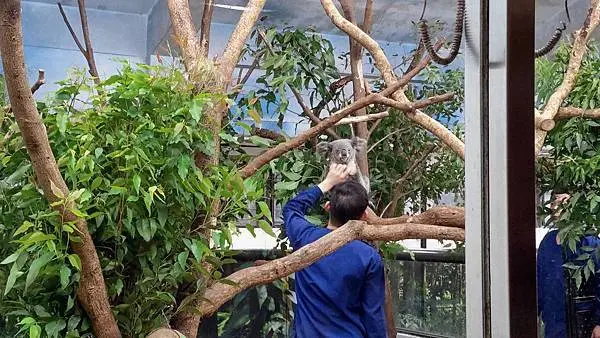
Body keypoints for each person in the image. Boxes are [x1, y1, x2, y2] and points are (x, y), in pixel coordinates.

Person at [283, 163, 387, 338]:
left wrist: (326, 183)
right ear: (364, 217)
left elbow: (292, 208)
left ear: (328, 207)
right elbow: (373, 316)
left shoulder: (304, 239)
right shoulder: (368, 257)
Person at [537, 194, 600, 337]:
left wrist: (599, 322)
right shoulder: (548, 241)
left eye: (564, 201)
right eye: (555, 202)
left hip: (584, 323)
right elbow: (539, 279)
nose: (558, 206)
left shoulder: (590, 242)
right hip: (554, 322)